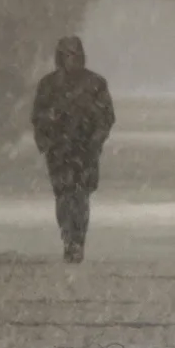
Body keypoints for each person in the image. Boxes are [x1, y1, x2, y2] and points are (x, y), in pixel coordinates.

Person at [31, 36, 116, 263]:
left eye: (76, 54)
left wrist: (95, 140)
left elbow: (107, 117)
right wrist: (46, 140)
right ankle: (68, 237)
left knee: (80, 196)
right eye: (67, 55)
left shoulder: (95, 84)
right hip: (59, 151)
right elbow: (37, 116)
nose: (72, 60)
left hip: (85, 150)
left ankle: (78, 239)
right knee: (63, 196)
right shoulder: (48, 85)